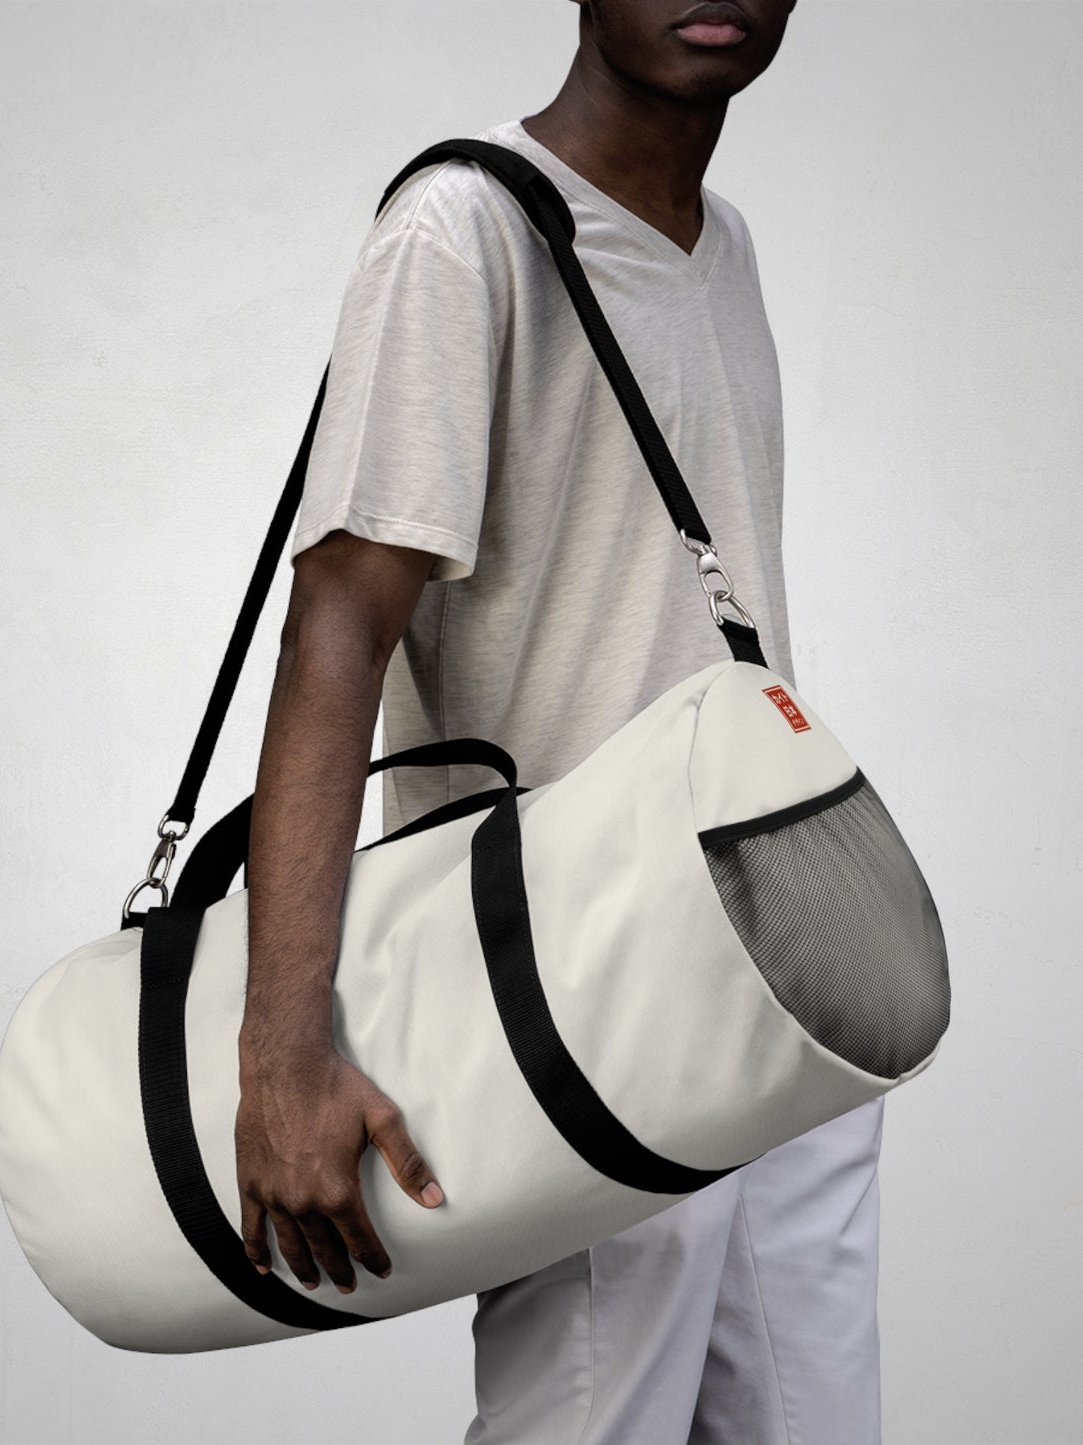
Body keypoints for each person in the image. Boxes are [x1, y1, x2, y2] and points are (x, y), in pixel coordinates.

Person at [235, 0, 886, 1440]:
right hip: (582, 990)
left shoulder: (726, 250)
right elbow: (338, 619)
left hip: (778, 973)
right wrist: (282, 1046)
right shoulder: (463, 233)